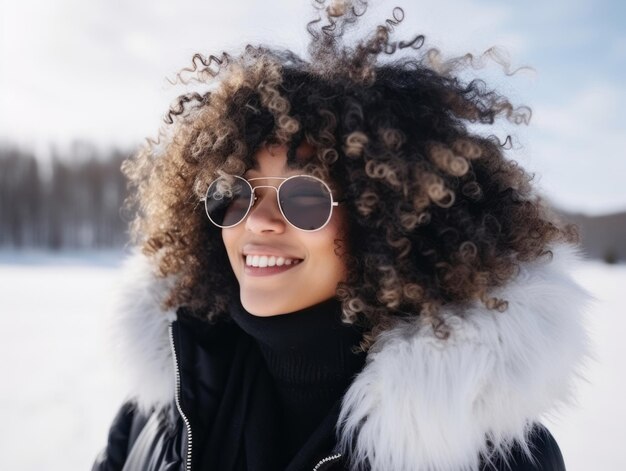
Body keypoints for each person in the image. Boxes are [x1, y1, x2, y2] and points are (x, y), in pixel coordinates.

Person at [92, 1, 591, 470]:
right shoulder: (161, 411)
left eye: (305, 197)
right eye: (234, 192)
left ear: (388, 224)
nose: (258, 221)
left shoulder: (488, 456)